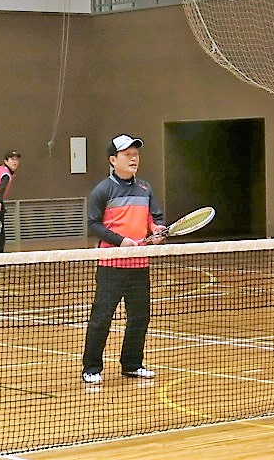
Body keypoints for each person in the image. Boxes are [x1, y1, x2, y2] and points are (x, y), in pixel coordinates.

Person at [82, 134, 166, 385]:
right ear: (113, 160)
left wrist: (157, 231)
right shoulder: (103, 190)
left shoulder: (145, 188)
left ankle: (132, 364)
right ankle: (92, 368)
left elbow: (155, 219)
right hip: (112, 265)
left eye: (135, 154)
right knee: (102, 318)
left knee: (140, 317)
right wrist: (121, 241)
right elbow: (93, 224)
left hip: (139, 265)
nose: (133, 158)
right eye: (127, 154)